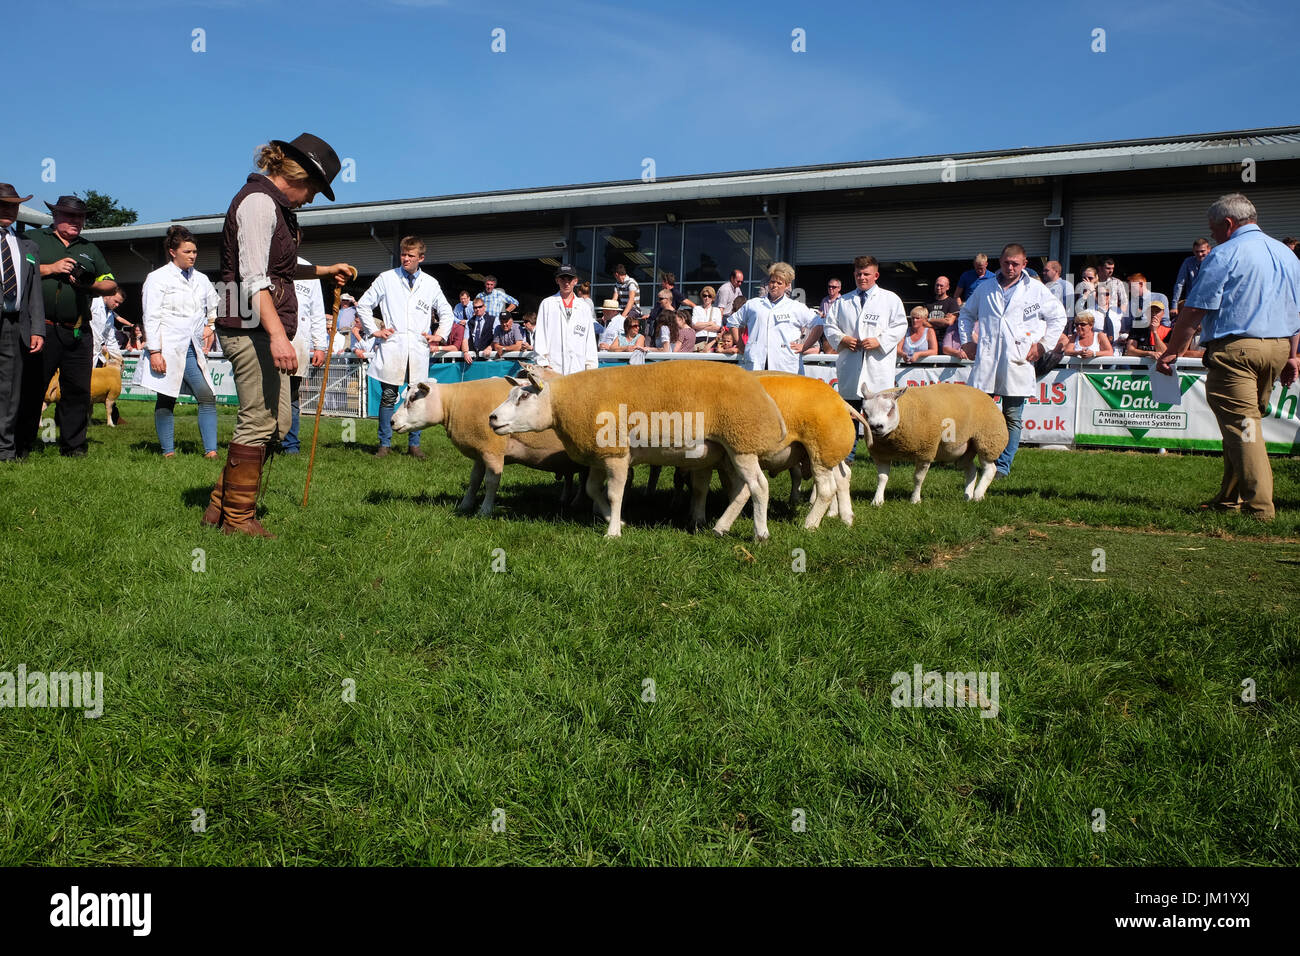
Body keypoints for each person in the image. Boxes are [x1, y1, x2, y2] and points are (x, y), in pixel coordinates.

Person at [204, 134, 352, 537]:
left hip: (261, 326)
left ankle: (220, 504)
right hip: (248, 326)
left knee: (278, 421)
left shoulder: (276, 206)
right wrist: (278, 336)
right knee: (258, 421)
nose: (312, 200)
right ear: (299, 177)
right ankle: (237, 520)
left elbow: (277, 269)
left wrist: (322, 270)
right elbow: (253, 280)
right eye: (316, 191)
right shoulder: (257, 203)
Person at [1157, 193, 1300, 521]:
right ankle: (1228, 498)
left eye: (1213, 230)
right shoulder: (1287, 254)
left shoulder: (1224, 254)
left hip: (1237, 350)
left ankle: (1260, 510)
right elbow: (1297, 311)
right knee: (1243, 426)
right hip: (1277, 349)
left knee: (1243, 427)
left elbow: (1194, 310)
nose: (1212, 236)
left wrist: (1171, 352)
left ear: (1228, 224)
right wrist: (1292, 356)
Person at [16, 194, 117, 458]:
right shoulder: (34, 240)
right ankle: (21, 445)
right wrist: (52, 268)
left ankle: (74, 447)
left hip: (78, 330)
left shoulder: (89, 248)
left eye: (81, 217)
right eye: (70, 216)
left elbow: (110, 283)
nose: (76, 221)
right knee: (32, 388)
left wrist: (88, 285)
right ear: (55, 216)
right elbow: (17, 272)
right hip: (42, 328)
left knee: (77, 391)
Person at [958, 242, 1067, 477]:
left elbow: (1058, 316)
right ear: (1000, 262)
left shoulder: (1036, 290)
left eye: (1016, 264)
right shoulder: (985, 288)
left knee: (1013, 417)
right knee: (978, 414)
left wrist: (1043, 345)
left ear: (1024, 264)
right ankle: (974, 460)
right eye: (1007, 263)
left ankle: (1002, 466)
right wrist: (967, 341)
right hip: (987, 359)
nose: (1010, 267)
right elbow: (966, 314)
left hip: (1018, 360)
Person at [357, 235, 455, 457]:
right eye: (403, 254)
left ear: (421, 257)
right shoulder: (386, 278)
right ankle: (385, 444)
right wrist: (374, 331)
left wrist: (439, 335)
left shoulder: (430, 283)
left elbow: (447, 312)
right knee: (389, 395)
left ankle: (414, 445)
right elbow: (363, 305)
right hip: (393, 346)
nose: (405, 259)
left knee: (417, 397)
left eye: (411, 255)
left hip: (418, 348)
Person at [134, 224, 220, 458]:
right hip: (166, 347)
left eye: (194, 252)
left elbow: (213, 302)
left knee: (206, 397)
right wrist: (155, 351)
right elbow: (150, 316)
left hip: (191, 348)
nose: (193, 256)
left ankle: (211, 451)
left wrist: (210, 325)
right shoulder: (157, 278)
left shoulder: (201, 279)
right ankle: (168, 452)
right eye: (187, 252)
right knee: (167, 397)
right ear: (173, 252)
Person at [824, 256, 907, 461]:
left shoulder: (890, 299)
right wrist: (843, 338)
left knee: (879, 416)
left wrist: (880, 341)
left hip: (877, 366)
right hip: (851, 366)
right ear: (854, 275)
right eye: (858, 274)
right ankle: (847, 457)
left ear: (875, 275)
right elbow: (829, 326)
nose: (862, 277)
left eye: (866, 274)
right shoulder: (843, 301)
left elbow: (900, 325)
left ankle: (880, 456)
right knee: (849, 416)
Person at [0, 183, 45, 461]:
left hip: (16, 325)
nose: (9, 210)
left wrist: (37, 328)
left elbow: (35, 293)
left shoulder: (28, 246)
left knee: (10, 391)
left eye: (14, 205)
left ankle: (4, 450)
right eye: (4, 204)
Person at [730, 262, 822, 373]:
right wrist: (741, 346)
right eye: (772, 281)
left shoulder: (796, 307)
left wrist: (805, 346)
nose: (775, 285)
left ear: (787, 285)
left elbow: (819, 324)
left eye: (779, 283)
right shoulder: (753, 304)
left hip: (785, 365)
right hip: (757, 364)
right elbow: (732, 322)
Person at [280, 256, 329, 455]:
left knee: (292, 395)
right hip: (272, 340)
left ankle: (290, 444)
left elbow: (317, 311)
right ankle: (266, 442)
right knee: (268, 396)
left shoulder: (309, 268)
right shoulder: (268, 261)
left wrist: (320, 346)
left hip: (298, 341)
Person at [533, 263, 598, 374]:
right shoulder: (547, 304)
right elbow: (540, 336)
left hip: (578, 369)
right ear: (557, 280)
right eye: (563, 278)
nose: (566, 283)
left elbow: (590, 340)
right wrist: (542, 363)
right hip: (553, 369)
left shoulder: (584, 307)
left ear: (575, 281)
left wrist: (591, 368)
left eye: (570, 279)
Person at [1171, 238, 1211, 320]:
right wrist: (1174, 306)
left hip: (1209, 303)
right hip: (1192, 303)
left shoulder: (1214, 261)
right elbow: (1179, 284)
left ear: (1209, 249)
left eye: (1202, 251)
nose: (1199, 254)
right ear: (1193, 251)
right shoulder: (1188, 262)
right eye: (1197, 251)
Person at [90, 289, 127, 368]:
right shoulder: (93, 303)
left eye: (119, 303)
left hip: (96, 353)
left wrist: (118, 357)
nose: (117, 305)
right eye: (116, 301)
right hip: (84, 348)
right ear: (108, 295)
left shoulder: (110, 314)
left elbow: (110, 338)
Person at [462, 295, 496, 364]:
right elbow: (465, 339)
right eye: (475, 307)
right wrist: (465, 352)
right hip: (473, 358)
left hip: (488, 358)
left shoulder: (493, 319)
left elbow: (497, 337)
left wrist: (490, 347)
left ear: (484, 307)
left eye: (480, 307)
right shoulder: (469, 322)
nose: (478, 309)